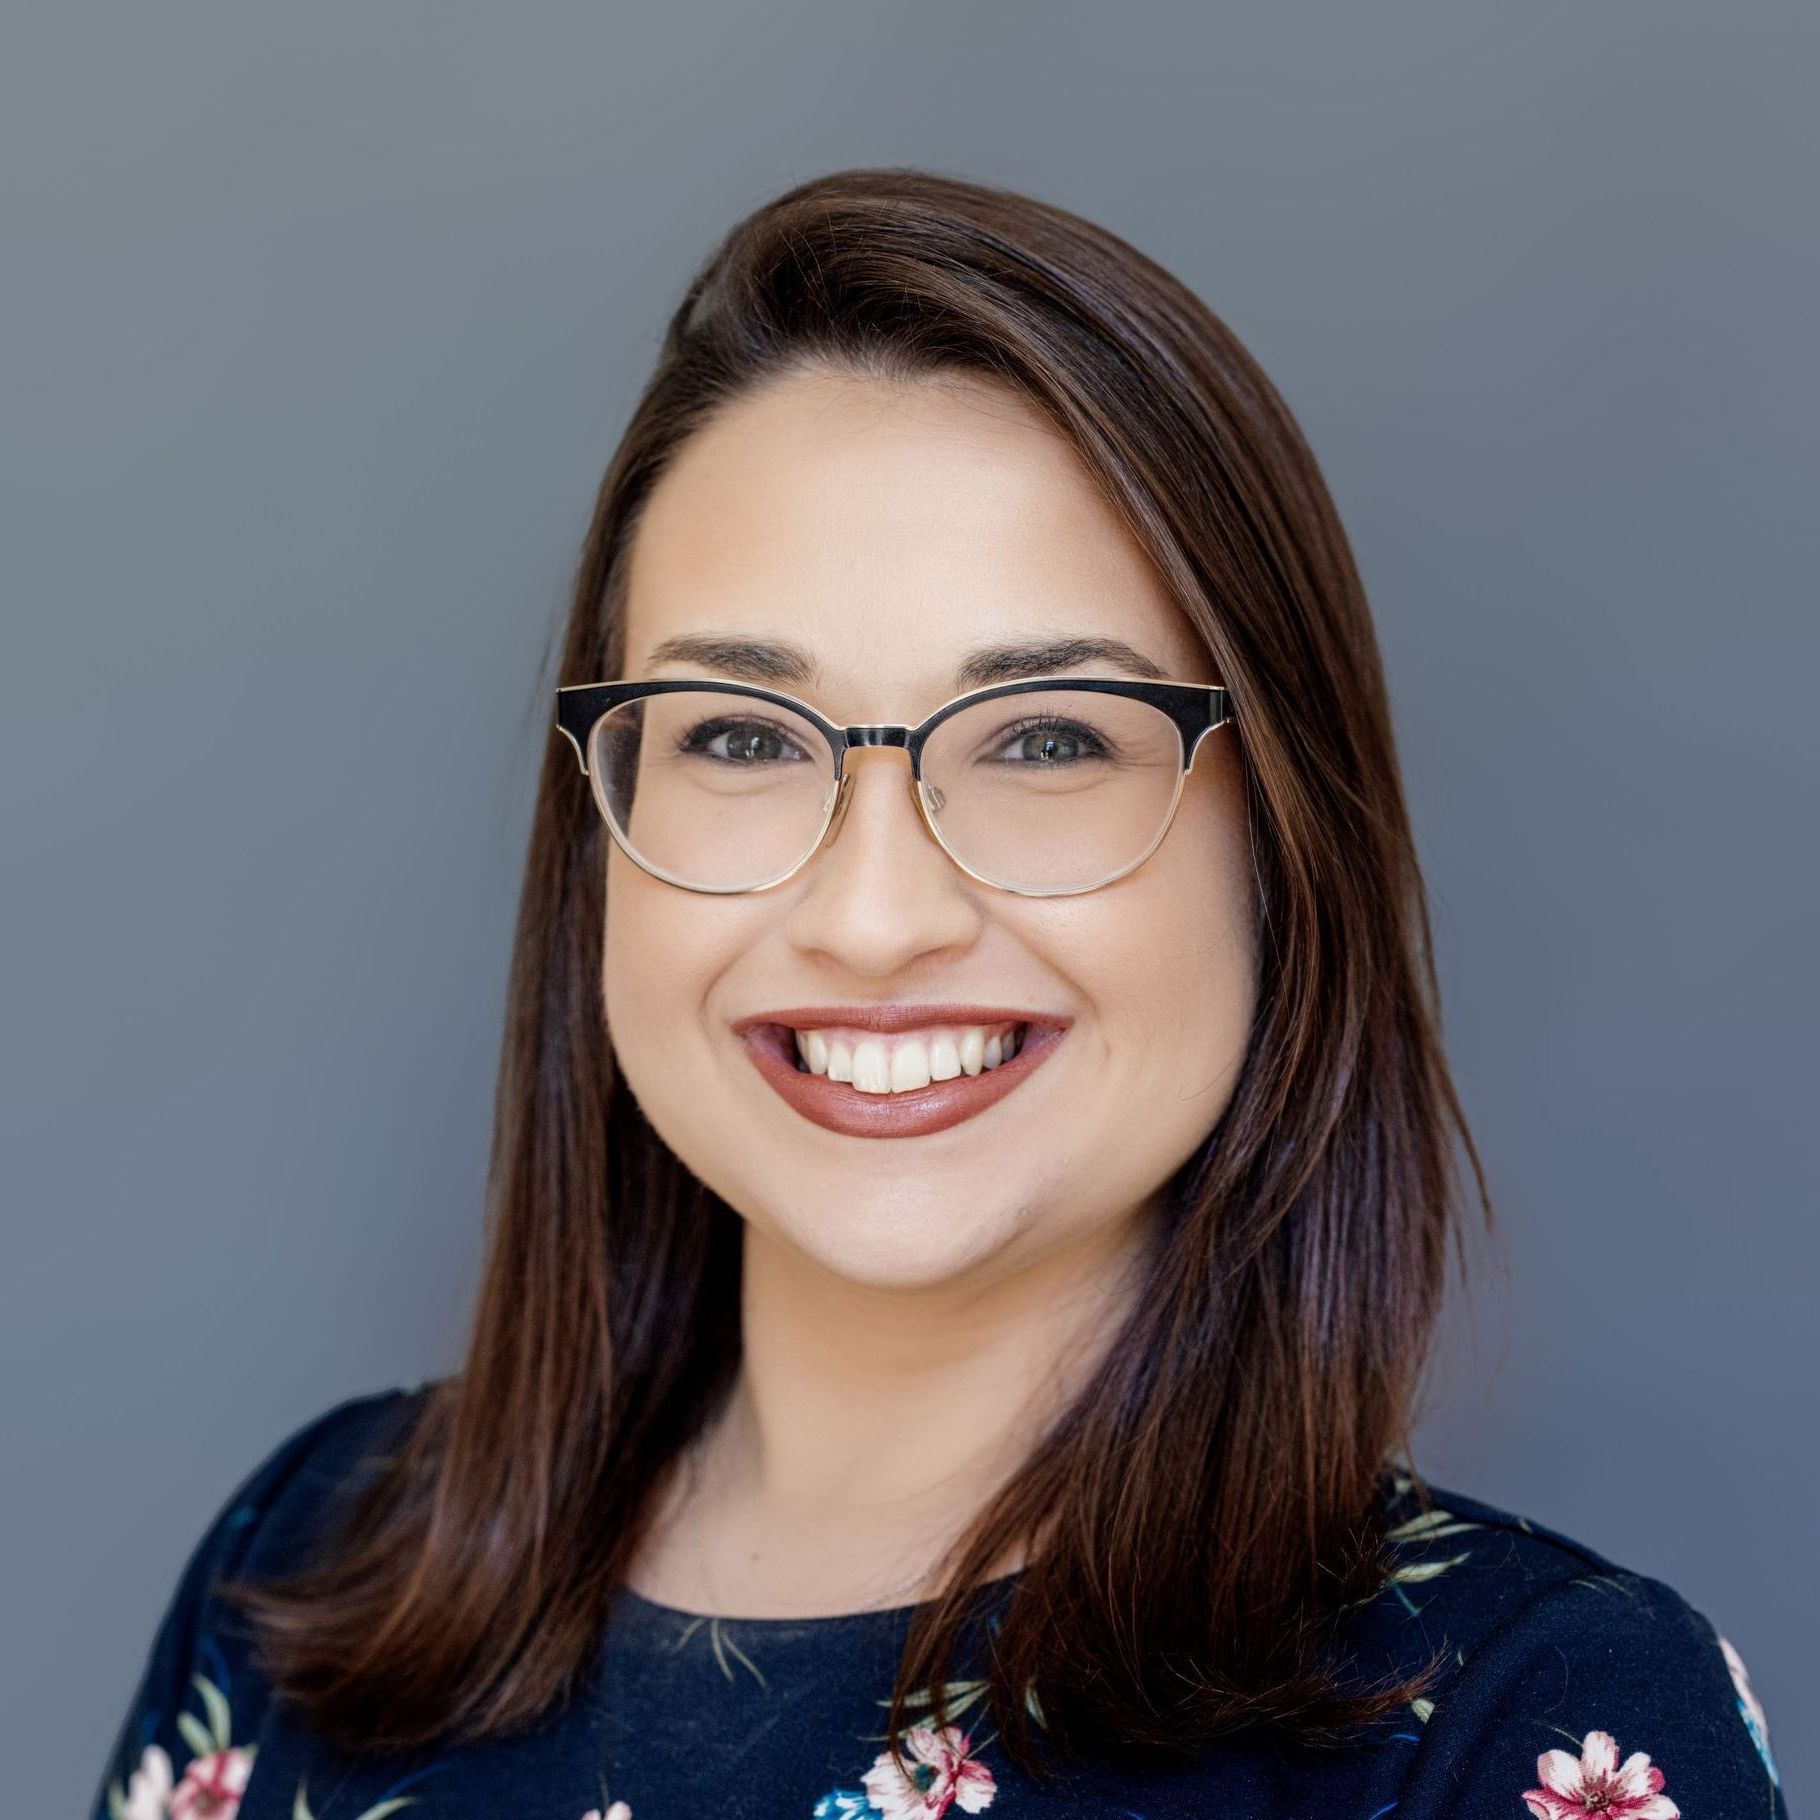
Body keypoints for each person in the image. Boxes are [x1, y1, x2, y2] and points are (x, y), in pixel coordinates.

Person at [91, 168, 1786, 1820]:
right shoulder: (307, 1564)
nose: (875, 915)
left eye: (1047, 738)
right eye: (742, 737)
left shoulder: (1526, 1717)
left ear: (1283, 850)